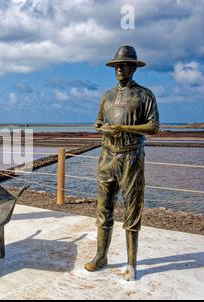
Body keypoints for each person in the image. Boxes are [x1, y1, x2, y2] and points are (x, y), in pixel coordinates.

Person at [84, 46, 160, 281]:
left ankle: (131, 263)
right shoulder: (106, 96)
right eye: (117, 65)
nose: (119, 68)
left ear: (133, 68)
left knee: (132, 208)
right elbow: (98, 121)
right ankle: (101, 256)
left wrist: (122, 128)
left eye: (124, 65)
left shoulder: (145, 95)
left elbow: (153, 127)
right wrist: (100, 127)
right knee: (103, 208)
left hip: (131, 157)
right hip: (107, 156)